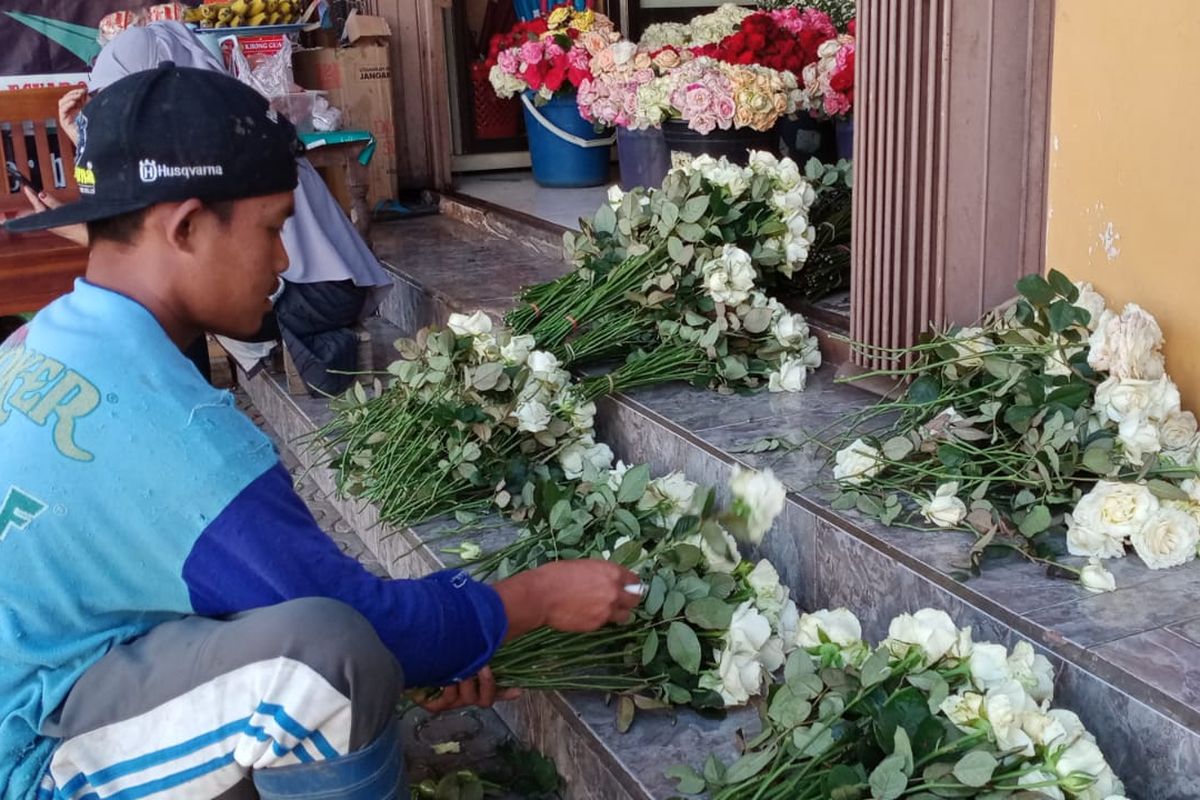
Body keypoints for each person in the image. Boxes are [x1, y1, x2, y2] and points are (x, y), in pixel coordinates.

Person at [0, 65, 640, 800]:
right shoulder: (171, 430)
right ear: (184, 227)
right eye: (273, 228)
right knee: (328, 665)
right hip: (28, 759)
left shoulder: (45, 341)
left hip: (57, 683)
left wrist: (447, 644)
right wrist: (535, 598)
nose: (282, 261)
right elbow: (359, 627)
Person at [27, 21, 394, 396]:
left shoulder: (207, 153)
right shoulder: (212, 130)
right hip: (307, 288)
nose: (118, 112)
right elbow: (147, 228)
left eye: (121, 96)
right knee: (173, 292)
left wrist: (76, 219)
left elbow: (152, 247)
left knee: (172, 293)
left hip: (321, 295)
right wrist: (87, 140)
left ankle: (190, 399)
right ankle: (192, 397)